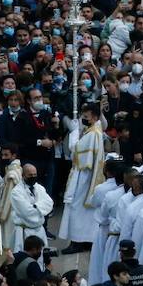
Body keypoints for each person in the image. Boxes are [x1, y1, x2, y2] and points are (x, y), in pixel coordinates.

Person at [58, 103, 104, 252]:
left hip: (83, 178)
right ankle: (85, 240)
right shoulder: (93, 130)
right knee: (84, 212)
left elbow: (75, 151)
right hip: (85, 176)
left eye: (86, 117)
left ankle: (77, 241)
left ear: (95, 117)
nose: (83, 119)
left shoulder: (92, 133)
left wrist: (74, 133)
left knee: (76, 209)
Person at [7, 163, 54, 251]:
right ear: (23, 175)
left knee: (41, 259)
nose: (33, 177)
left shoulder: (40, 188)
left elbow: (49, 203)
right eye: (30, 175)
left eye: (35, 174)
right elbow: (26, 212)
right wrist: (41, 209)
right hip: (24, 232)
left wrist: (35, 206)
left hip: (40, 230)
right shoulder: (16, 192)